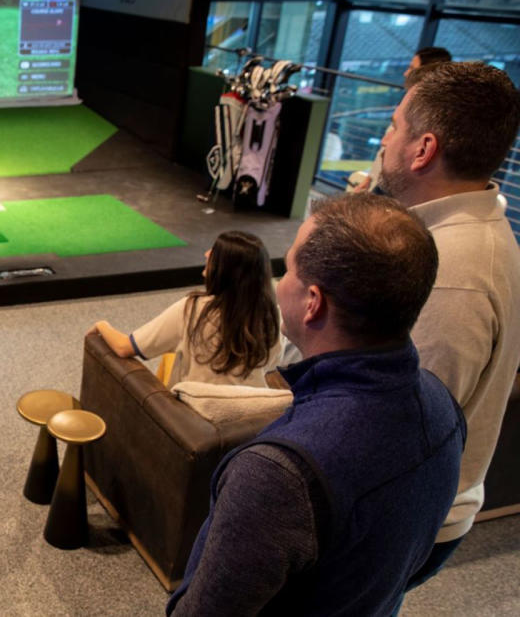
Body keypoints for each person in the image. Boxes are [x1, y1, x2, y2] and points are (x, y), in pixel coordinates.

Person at [168, 193, 465, 616]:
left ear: (313, 302)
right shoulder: (445, 409)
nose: (278, 282)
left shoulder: (275, 474)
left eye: (288, 269)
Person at [377, 60, 520, 590]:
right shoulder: (466, 235)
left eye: (394, 127)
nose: (385, 141)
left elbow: (399, 434)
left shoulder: (450, 277)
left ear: (423, 149)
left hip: (400, 519)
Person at [90, 230, 281, 387]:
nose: (206, 254)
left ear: (227, 269)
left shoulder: (194, 309)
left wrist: (102, 325)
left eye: (214, 252)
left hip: (193, 414)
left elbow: (125, 347)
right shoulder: (271, 316)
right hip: (248, 417)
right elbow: (271, 363)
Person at [354, 46, 453, 192]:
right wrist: (371, 177)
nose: (406, 73)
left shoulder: (426, 116)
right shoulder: (409, 107)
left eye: (412, 67)